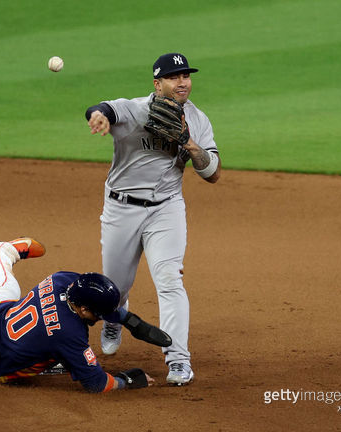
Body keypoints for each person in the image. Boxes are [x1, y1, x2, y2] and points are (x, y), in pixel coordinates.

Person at [85, 53, 221, 385]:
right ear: (157, 84)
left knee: (169, 280)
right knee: (114, 287)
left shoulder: (197, 120)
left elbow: (213, 173)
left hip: (166, 208)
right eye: (175, 77)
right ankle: (115, 316)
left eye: (186, 75)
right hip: (121, 208)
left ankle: (178, 360)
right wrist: (100, 118)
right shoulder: (135, 109)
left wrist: (188, 143)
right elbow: (101, 108)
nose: (183, 82)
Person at [0, 237, 171, 392]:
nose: (100, 318)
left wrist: (134, 323)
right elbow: (97, 384)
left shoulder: (63, 279)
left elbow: (93, 306)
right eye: (98, 314)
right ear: (84, 309)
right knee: (64, 358)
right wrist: (129, 380)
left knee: (6, 286)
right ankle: (0, 250)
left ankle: (3, 251)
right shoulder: (70, 335)